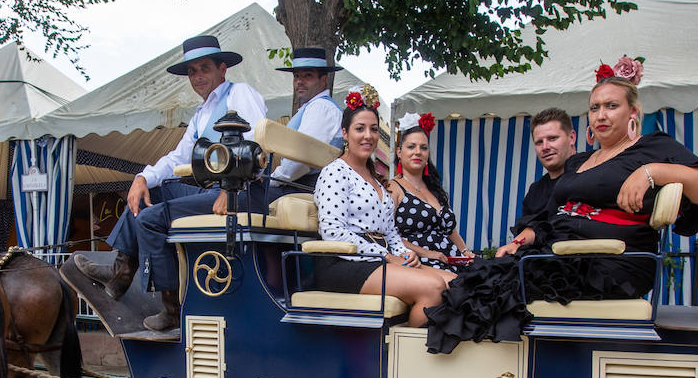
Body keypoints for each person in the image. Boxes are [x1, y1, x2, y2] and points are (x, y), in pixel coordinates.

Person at [421, 64, 698, 354]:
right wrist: (520, 241)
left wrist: (651, 172)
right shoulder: (581, 161)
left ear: (633, 112)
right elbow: (551, 215)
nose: (601, 114)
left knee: (483, 294)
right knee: (469, 280)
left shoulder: (651, 147)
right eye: (595, 107)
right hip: (558, 254)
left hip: (609, 263)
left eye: (611, 106)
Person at [72, 35, 266, 331]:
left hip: (243, 192)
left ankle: (171, 307)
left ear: (222, 68)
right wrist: (141, 178)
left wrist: (233, 187)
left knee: (150, 219)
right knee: (152, 192)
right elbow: (178, 157)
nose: (198, 76)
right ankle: (119, 271)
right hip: (215, 190)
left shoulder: (240, 93)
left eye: (204, 68)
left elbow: (256, 144)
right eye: (192, 71)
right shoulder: (201, 114)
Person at [312, 89, 454, 326]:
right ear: (345, 133)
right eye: (360, 128)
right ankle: (402, 357)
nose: (368, 135)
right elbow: (332, 231)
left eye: (374, 129)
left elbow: (390, 231)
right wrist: (387, 256)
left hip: (377, 258)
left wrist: (404, 254)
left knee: (454, 282)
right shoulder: (335, 172)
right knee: (434, 288)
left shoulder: (377, 179)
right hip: (343, 262)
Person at [389, 112, 468, 269]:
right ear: (399, 152)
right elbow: (389, 235)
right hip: (419, 262)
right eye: (411, 146)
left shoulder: (434, 188)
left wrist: (465, 251)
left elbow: (451, 231)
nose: (418, 152)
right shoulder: (394, 187)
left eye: (423, 148)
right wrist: (426, 253)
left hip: (451, 259)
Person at [497, 108, 575, 257]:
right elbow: (533, 226)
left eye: (552, 138)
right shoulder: (536, 190)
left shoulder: (589, 175)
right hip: (539, 261)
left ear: (571, 137)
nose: (545, 147)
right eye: (539, 142)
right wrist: (515, 244)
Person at [269, 47, 344, 197]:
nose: (299, 82)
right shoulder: (313, 107)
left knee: (237, 200)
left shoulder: (321, 107)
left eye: (307, 75)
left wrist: (271, 180)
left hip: (304, 188)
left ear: (323, 80)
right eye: (296, 76)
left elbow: (300, 159)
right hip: (296, 185)